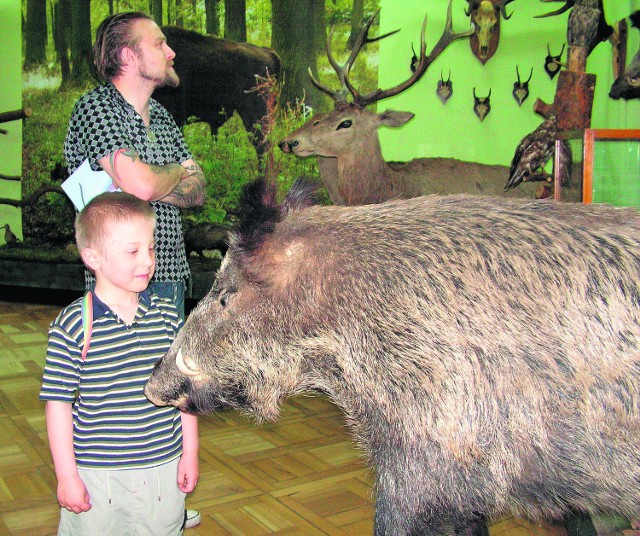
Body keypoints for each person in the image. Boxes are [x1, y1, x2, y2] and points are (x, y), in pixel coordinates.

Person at [40, 192, 199, 535]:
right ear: (92, 256)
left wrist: (190, 452)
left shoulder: (168, 317)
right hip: (99, 475)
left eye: (151, 249)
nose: (147, 261)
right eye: (133, 251)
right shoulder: (72, 326)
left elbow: (185, 392)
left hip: (162, 467)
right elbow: (58, 406)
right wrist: (67, 477)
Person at [64, 11, 206, 318]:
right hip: (116, 282)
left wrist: (147, 184)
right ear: (129, 56)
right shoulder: (97, 108)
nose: (171, 53)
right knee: (118, 366)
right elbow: (143, 184)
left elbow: (198, 191)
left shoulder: (162, 116)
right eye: (159, 44)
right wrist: (177, 172)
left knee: (168, 368)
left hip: (169, 276)